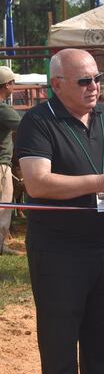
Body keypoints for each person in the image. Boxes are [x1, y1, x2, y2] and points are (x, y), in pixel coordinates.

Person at [16, 48, 104, 374]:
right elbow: (37, 183)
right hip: (58, 251)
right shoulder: (38, 121)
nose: (94, 87)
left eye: (97, 78)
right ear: (57, 84)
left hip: (102, 244)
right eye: (84, 81)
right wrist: (101, 182)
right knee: (60, 351)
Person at [0, 67, 21, 256]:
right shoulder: (3, 109)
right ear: (7, 84)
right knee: (4, 204)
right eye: (13, 82)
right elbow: (26, 127)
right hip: (1, 166)